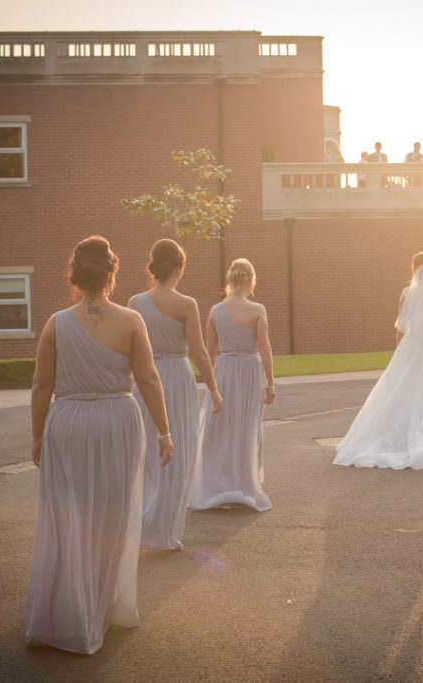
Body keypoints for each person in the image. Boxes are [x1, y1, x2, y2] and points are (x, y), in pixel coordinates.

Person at [25, 235, 173, 654]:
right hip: (116, 423)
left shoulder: (56, 323)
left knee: (67, 517)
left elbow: (41, 385)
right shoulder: (130, 321)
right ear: (112, 273)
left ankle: (66, 611)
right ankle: (100, 606)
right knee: (111, 515)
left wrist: (36, 436)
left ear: (74, 275)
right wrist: (164, 430)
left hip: (67, 422)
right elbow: (147, 379)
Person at [334, 252, 423, 470]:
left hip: (413, 342)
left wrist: (400, 351)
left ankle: (405, 432)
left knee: (408, 387)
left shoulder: (406, 293)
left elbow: (401, 327)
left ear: (413, 268)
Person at [129, 239, 222, 550]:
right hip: (178, 379)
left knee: (146, 450)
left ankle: (143, 517)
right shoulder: (187, 304)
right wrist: (213, 388)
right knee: (179, 451)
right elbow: (198, 351)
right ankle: (164, 529)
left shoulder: (135, 303)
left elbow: (129, 352)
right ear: (179, 268)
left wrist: (128, 386)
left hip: (146, 379)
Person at [190, 258, 275, 511]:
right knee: (248, 427)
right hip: (251, 370)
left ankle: (218, 485)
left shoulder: (215, 311)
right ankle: (245, 485)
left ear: (230, 281)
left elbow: (209, 352)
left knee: (221, 429)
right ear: (251, 281)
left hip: (224, 370)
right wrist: (271, 383)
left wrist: (212, 385)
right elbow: (265, 346)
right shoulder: (257, 309)